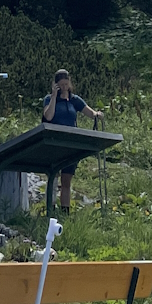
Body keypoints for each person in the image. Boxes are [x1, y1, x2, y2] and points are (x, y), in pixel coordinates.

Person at [41, 69, 104, 212]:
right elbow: (48, 116)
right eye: (61, 85)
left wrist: (97, 114)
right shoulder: (49, 99)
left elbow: (89, 112)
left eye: (66, 84)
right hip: (55, 141)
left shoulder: (74, 100)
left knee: (66, 179)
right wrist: (54, 96)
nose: (64, 87)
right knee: (53, 176)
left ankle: (65, 211)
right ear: (56, 85)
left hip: (70, 142)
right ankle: (50, 208)